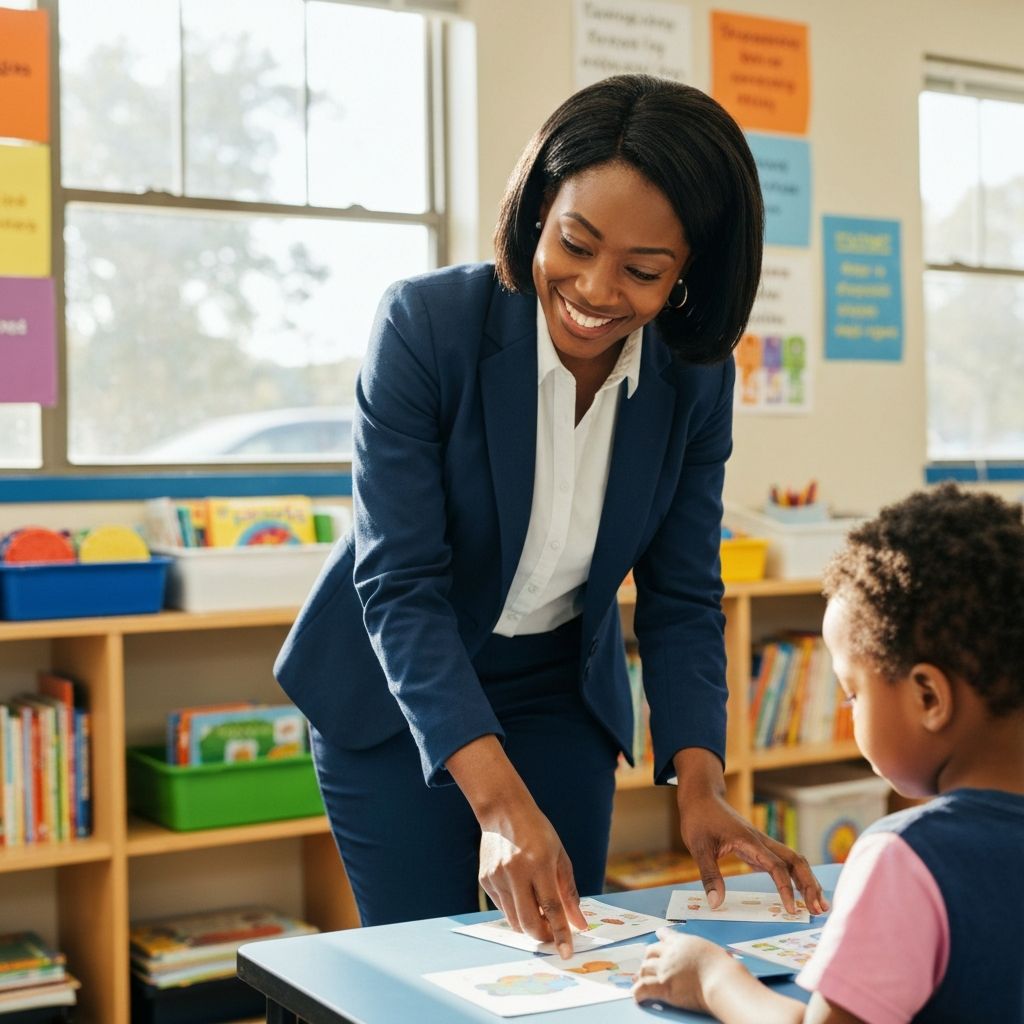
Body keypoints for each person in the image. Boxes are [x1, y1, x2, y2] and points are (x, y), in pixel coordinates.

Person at [274, 73, 825, 959]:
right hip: (396, 690)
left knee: (564, 968)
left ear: (690, 271)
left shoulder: (695, 376)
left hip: (558, 687)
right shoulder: (426, 326)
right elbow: (400, 583)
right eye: (575, 243)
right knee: (426, 972)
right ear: (538, 208)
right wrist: (497, 803)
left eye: (643, 271)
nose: (596, 290)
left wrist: (700, 783)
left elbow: (684, 594)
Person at [633, 483, 1024, 1022]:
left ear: (928, 698)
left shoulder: (904, 859)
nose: (849, 710)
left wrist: (711, 978)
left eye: (852, 694)